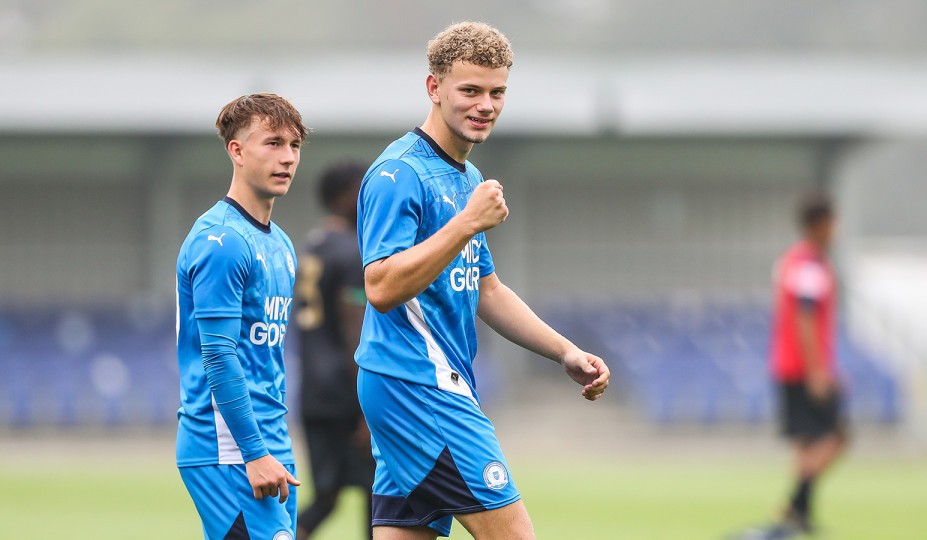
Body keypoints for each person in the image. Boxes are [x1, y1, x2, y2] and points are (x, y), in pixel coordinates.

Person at [355, 22, 611, 540]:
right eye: (470, 90)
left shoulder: (466, 178)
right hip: (417, 383)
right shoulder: (399, 173)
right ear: (434, 88)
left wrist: (564, 350)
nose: (485, 105)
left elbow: (487, 290)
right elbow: (380, 286)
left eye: (497, 93)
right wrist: (467, 222)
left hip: (423, 382)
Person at [175, 93, 307, 540]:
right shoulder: (222, 241)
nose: (287, 157)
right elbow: (218, 355)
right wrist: (253, 452)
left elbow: (265, 358)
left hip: (268, 443)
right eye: (272, 143)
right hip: (228, 448)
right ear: (236, 150)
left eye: (294, 145)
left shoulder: (282, 246)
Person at [294, 161, 374, 539]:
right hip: (346, 394)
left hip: (313, 391)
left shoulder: (312, 247)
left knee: (326, 496)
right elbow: (354, 331)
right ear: (346, 197)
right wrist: (367, 408)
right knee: (381, 495)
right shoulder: (352, 254)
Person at [766, 193, 848, 537]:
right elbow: (804, 317)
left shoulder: (793, 261)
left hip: (786, 365)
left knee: (806, 444)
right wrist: (818, 370)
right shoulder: (811, 265)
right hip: (801, 369)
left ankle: (800, 516)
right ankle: (795, 504)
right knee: (837, 437)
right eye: (833, 222)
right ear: (821, 224)